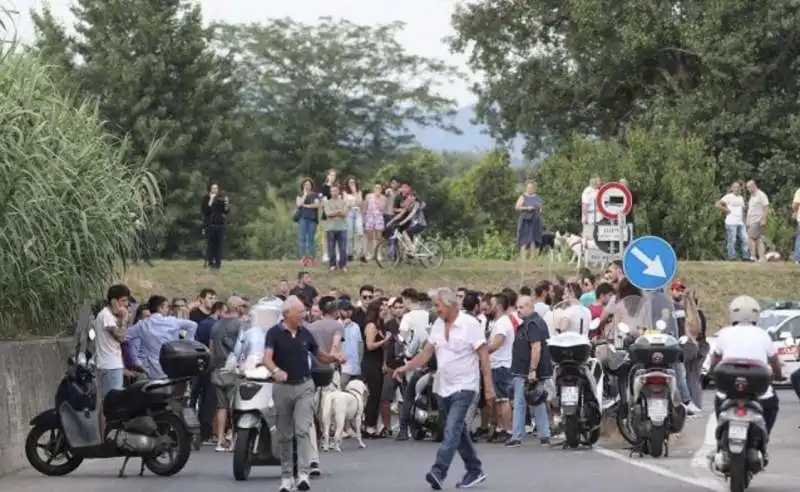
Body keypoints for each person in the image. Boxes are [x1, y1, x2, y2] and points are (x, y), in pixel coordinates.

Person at [394, 288, 493, 490]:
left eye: (438, 306)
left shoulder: (469, 324)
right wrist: (406, 367)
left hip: (465, 386)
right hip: (444, 386)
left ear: (450, 305)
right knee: (458, 430)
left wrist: (488, 386)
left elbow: (484, 355)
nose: (435, 310)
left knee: (451, 429)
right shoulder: (438, 325)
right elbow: (426, 353)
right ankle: (475, 469)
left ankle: (439, 471)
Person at [262, 296, 344, 492]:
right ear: (287, 313)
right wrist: (276, 371)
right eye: (300, 312)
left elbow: (320, 356)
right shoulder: (274, 333)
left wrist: (334, 357)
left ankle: (303, 474)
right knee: (284, 433)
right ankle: (286, 476)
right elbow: (267, 358)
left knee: (302, 430)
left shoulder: (305, 333)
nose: (303, 314)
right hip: (282, 387)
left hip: (304, 386)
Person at [707, 296, 782, 458]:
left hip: (728, 385)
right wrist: (779, 376)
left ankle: (720, 441)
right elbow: (774, 360)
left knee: (719, 401)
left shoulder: (724, 333)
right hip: (758, 386)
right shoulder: (763, 335)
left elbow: (715, 358)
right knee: (772, 404)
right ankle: (764, 437)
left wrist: (711, 373)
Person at [506, 295, 552, 447]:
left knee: (520, 402)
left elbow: (536, 347)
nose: (519, 310)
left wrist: (532, 370)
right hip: (529, 370)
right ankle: (544, 434)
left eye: (522, 307)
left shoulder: (532, 324)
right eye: (517, 307)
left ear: (530, 307)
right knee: (537, 401)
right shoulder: (533, 322)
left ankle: (517, 436)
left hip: (527, 370)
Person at [124, 295, 198, 379]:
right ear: (160, 308)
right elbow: (193, 325)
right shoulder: (171, 321)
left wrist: (124, 320)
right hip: (172, 369)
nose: (168, 310)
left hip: (155, 373)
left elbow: (124, 336)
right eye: (167, 307)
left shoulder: (142, 324)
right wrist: (186, 343)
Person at [209, 296, 248, 451]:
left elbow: (211, 348)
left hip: (218, 369)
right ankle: (233, 438)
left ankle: (219, 440)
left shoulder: (216, 325)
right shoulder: (241, 325)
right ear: (238, 308)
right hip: (234, 370)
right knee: (236, 407)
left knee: (221, 407)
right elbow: (243, 348)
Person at [94, 284, 132, 399]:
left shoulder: (111, 316)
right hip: (110, 366)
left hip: (111, 365)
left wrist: (122, 319)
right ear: (114, 301)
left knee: (107, 402)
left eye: (127, 301)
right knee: (113, 402)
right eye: (123, 300)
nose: (126, 304)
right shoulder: (106, 315)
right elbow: (120, 337)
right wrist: (124, 319)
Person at [487, 293, 515, 442]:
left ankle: (508, 430)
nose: (489, 307)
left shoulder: (503, 323)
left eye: (492, 304)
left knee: (503, 399)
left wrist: (483, 351)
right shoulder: (499, 322)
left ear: (498, 306)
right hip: (497, 364)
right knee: (498, 400)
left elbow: (497, 343)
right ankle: (501, 427)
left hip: (502, 365)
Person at [715, 181, 749, 261]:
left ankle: (746, 257)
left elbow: (742, 210)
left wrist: (744, 221)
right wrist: (725, 209)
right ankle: (732, 257)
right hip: (731, 222)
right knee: (732, 240)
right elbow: (717, 204)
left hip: (740, 222)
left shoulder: (741, 198)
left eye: (738, 187)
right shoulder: (728, 196)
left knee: (745, 239)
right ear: (732, 188)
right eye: (735, 187)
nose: (736, 189)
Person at [201, 182, 229, 269]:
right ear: (210, 189)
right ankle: (210, 262)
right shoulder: (206, 198)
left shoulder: (220, 199)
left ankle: (218, 263)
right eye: (213, 188)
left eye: (216, 188)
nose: (215, 190)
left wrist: (227, 204)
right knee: (210, 245)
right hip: (210, 225)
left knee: (219, 245)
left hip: (220, 225)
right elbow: (205, 211)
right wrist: (211, 200)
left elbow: (226, 211)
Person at [322, 185, 349, 271]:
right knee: (331, 248)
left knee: (343, 248)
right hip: (330, 228)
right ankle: (332, 265)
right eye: (332, 191)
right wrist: (338, 211)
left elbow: (345, 214)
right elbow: (328, 214)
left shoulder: (343, 202)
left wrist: (335, 212)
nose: (334, 192)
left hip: (342, 228)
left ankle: (343, 265)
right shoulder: (327, 202)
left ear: (338, 192)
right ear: (330, 192)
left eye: (335, 191)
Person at [295, 178, 322, 267]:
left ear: (311, 186)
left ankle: (311, 258)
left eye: (309, 184)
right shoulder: (300, 194)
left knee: (311, 238)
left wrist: (306, 205)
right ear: (303, 186)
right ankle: (303, 258)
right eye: (305, 184)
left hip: (312, 219)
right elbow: (299, 204)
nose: (307, 186)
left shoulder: (315, 195)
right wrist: (304, 196)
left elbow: (316, 205)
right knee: (302, 238)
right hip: (303, 218)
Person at [515, 180, 543, 259]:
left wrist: (540, 210)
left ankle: (532, 259)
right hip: (526, 220)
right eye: (529, 187)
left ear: (534, 188)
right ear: (526, 188)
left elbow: (540, 207)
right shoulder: (523, 197)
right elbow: (517, 207)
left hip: (535, 220)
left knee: (533, 240)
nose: (530, 189)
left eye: (532, 187)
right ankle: (523, 260)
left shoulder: (537, 197)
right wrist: (527, 208)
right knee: (524, 240)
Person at [745, 180, 770, 262]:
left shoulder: (761, 195)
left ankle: (753, 256)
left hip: (758, 220)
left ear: (754, 185)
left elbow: (766, 207)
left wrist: (764, 218)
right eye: (747, 187)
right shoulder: (752, 196)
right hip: (751, 221)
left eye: (749, 187)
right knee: (758, 239)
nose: (748, 189)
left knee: (750, 237)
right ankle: (762, 257)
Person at [343, 177, 366, 262]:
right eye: (350, 182)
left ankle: (361, 254)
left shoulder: (359, 191)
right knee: (349, 234)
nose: (352, 184)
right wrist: (353, 203)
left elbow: (360, 203)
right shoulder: (345, 192)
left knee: (360, 232)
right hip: (349, 213)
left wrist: (355, 192)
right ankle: (349, 254)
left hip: (358, 212)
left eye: (353, 182)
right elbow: (346, 203)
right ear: (347, 184)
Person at [363, 183, 386, 260]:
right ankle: (370, 253)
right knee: (370, 237)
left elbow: (382, 208)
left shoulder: (383, 198)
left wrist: (378, 197)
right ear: (373, 188)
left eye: (379, 188)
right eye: (376, 187)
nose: (377, 189)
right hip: (369, 217)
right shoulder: (368, 196)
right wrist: (364, 218)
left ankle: (378, 253)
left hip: (378, 218)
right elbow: (365, 207)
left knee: (378, 237)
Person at [581, 175, 601, 240]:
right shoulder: (588, 191)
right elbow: (585, 206)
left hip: (599, 218)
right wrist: (586, 218)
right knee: (589, 237)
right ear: (595, 182)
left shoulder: (598, 190)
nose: (600, 182)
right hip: (590, 219)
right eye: (598, 181)